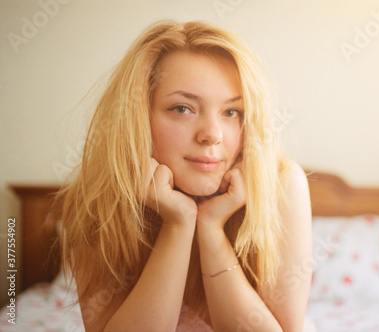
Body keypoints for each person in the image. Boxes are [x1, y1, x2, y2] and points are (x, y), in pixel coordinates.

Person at [52, 20, 312, 331]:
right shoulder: (101, 193)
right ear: (138, 116)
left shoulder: (281, 184)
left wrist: (212, 229)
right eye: (182, 109)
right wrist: (178, 224)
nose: (212, 135)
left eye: (232, 112)